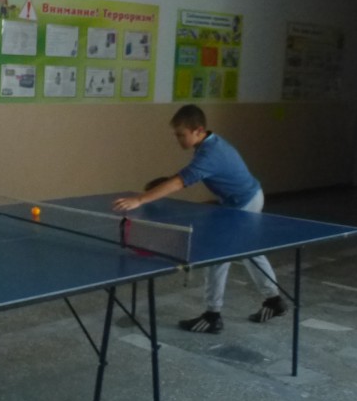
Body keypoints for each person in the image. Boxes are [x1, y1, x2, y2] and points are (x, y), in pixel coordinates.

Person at [113, 104, 286, 333]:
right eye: (176, 135)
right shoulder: (209, 144)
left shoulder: (211, 154)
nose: (178, 139)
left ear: (199, 130)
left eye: (181, 135)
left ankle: (213, 315)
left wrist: (140, 199)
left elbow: (180, 181)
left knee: (217, 257)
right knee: (249, 251)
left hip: (244, 203)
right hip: (244, 198)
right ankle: (274, 301)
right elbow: (185, 176)